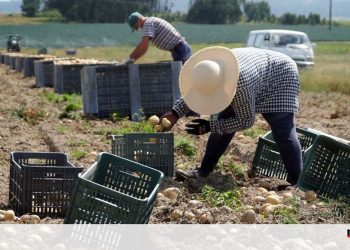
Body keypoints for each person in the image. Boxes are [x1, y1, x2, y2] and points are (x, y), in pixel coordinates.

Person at [160, 46, 303, 186]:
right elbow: (197, 90)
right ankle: (203, 171)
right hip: (258, 71)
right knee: (222, 123)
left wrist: (210, 125)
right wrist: (175, 112)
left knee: (282, 129)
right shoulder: (206, 69)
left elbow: (246, 120)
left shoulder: (240, 85)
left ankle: (297, 181)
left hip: (281, 74)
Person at [122, 12, 192, 64]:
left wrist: (130, 58)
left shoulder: (148, 23)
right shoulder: (149, 22)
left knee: (182, 78)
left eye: (137, 26)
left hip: (181, 50)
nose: (138, 29)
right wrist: (132, 59)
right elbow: (143, 45)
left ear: (139, 20)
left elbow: (143, 47)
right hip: (179, 50)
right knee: (179, 77)